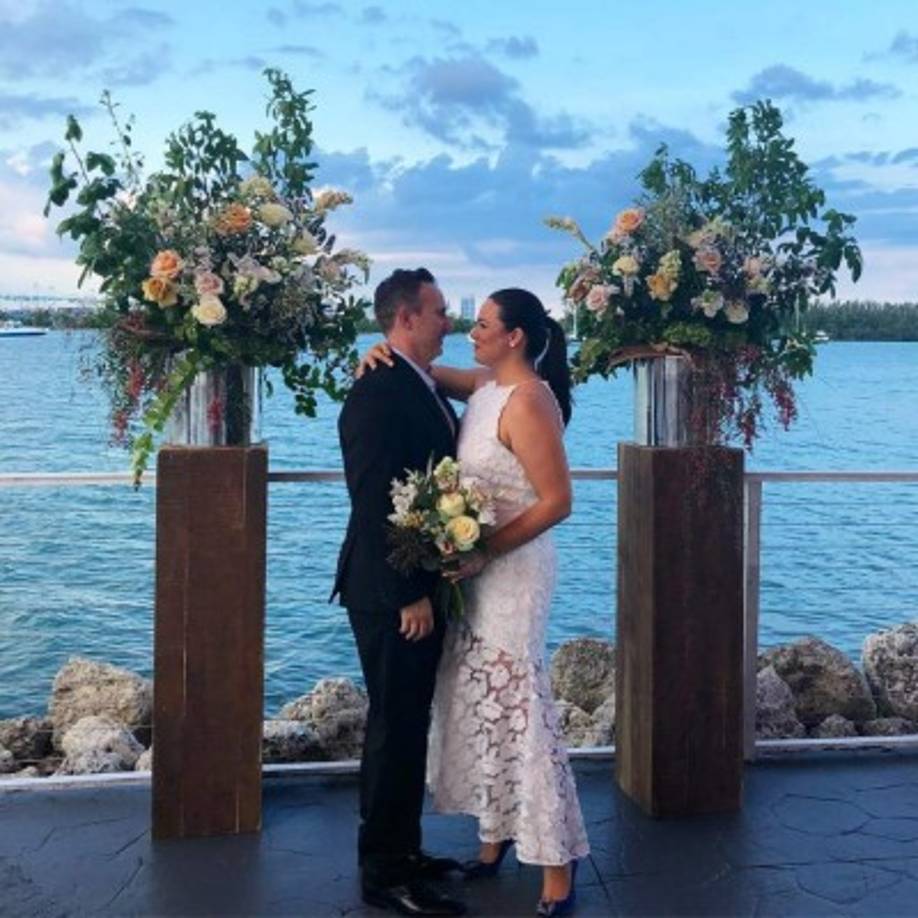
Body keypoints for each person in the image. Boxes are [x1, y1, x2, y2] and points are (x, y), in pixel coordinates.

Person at [361, 289, 589, 916]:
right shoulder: (485, 387)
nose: (471, 330)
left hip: (512, 573)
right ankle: (492, 843)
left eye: (484, 324)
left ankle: (556, 869)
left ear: (515, 336)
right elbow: (421, 368)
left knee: (518, 704)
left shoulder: (530, 399)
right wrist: (380, 348)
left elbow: (556, 501)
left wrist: (488, 550)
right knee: (480, 701)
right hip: (472, 572)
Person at [332, 268, 466, 916]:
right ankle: (383, 871)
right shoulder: (377, 393)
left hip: (411, 586)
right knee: (392, 727)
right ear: (407, 317)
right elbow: (375, 502)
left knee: (408, 725)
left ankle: (403, 850)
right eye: (440, 311)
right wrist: (410, 591)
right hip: (390, 593)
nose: (450, 322)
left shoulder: (416, 383)